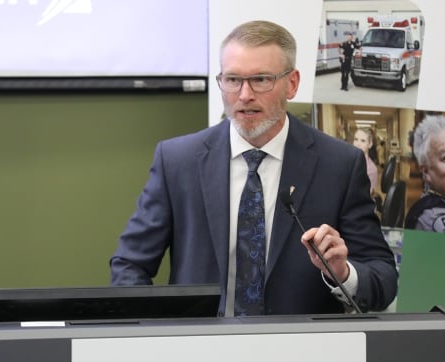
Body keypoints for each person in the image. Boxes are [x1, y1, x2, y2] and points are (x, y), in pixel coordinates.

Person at [110, 20, 398, 315]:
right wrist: (153, 337)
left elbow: (383, 279)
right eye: (233, 80)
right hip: (200, 351)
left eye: (260, 79)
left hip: (301, 352)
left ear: (293, 83)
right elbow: (129, 265)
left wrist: (342, 272)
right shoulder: (177, 161)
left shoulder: (339, 165)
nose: (244, 94)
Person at [353, 127, 379, 197]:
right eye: (356, 139)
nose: (358, 144)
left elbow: (365, 195)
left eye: (363, 141)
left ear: (370, 144)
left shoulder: (371, 169)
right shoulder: (350, 162)